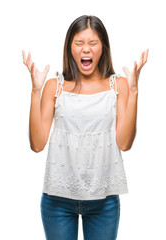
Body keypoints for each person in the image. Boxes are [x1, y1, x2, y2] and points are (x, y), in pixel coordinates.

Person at [23, 15, 148, 240]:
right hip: (57, 201)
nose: (86, 50)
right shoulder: (55, 86)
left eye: (93, 43)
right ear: (70, 48)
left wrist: (135, 92)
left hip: (104, 201)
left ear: (103, 48)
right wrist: (35, 91)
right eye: (79, 43)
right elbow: (37, 144)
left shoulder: (117, 85)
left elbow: (125, 143)